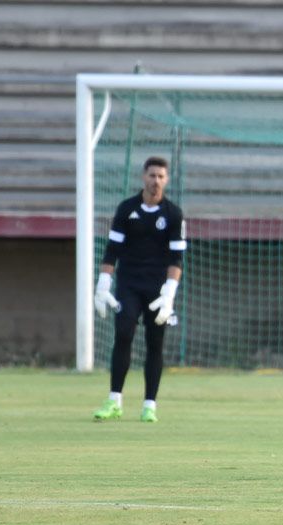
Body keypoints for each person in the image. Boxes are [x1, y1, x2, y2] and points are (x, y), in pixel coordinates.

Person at [92, 156, 185, 423]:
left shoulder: (173, 214)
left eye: (161, 176)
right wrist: (103, 284)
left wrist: (169, 293)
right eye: (152, 175)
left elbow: (176, 259)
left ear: (166, 180)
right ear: (143, 177)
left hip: (158, 289)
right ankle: (114, 401)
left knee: (155, 343)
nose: (156, 181)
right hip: (129, 284)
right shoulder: (126, 209)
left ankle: (149, 405)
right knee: (123, 334)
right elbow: (112, 251)